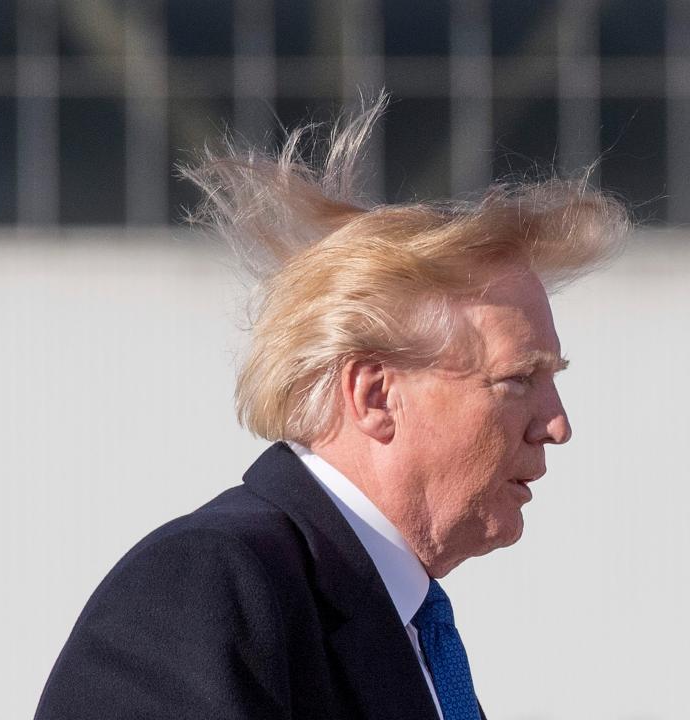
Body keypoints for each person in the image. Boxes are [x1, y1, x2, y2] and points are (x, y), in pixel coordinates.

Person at [33, 99, 628, 720]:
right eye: (517, 380)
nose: (557, 425)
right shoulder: (207, 585)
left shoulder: (404, 624)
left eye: (551, 378)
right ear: (374, 396)